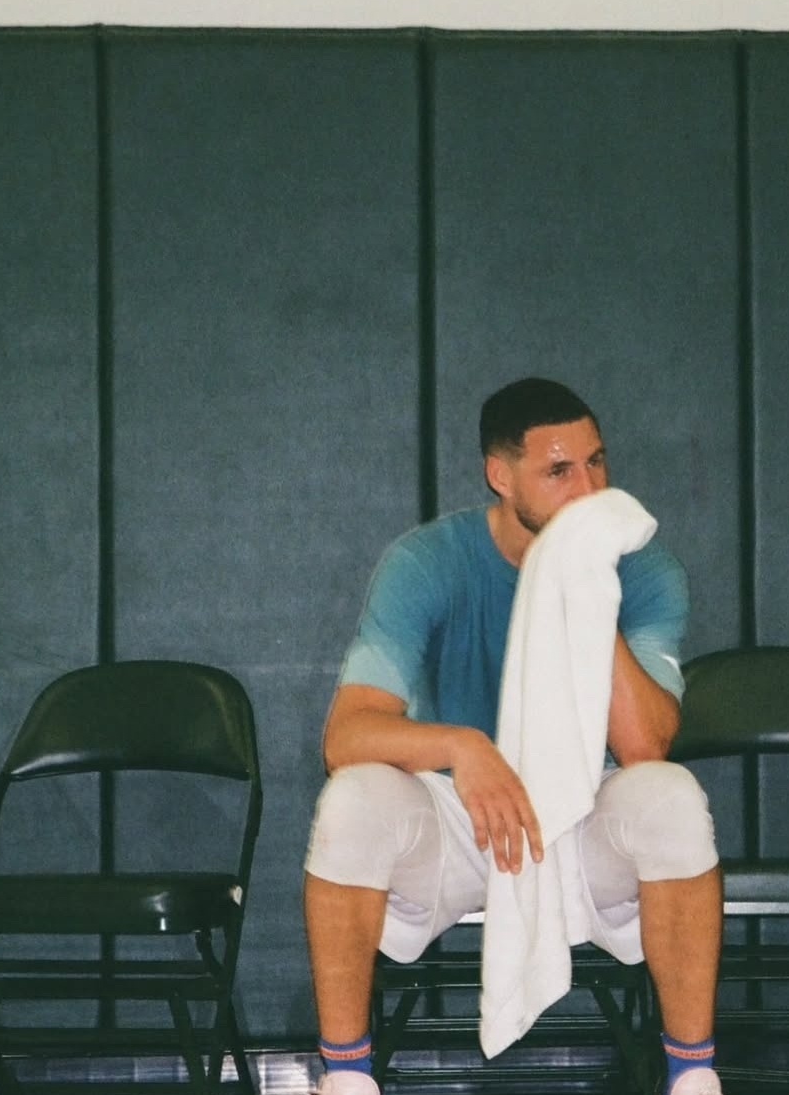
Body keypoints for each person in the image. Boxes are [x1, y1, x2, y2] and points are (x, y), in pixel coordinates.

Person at [304, 377, 723, 1095]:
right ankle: (346, 1079)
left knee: (670, 795)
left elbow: (644, 747)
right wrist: (465, 748)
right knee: (354, 799)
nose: (587, 490)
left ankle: (692, 1078)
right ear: (501, 476)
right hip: (462, 815)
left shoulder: (644, 566)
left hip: (584, 814)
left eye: (596, 462)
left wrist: (589, 589)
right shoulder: (429, 560)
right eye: (559, 471)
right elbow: (346, 735)